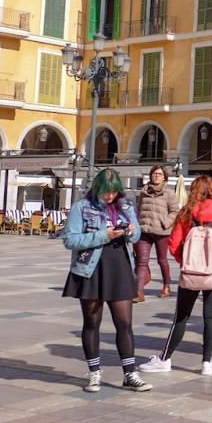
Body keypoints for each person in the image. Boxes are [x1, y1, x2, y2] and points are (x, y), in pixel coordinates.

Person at [62, 168, 152, 393]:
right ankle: (94, 374)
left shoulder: (127, 206)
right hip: (90, 270)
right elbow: (70, 240)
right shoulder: (81, 207)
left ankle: (130, 374)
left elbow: (137, 234)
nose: (110, 197)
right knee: (92, 323)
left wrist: (131, 231)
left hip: (119, 267)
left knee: (124, 323)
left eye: (114, 192)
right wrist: (104, 235)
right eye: (106, 192)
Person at [139, 176, 212, 376]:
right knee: (211, 316)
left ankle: (165, 359)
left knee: (181, 317)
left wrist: (187, 262)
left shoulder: (186, 213)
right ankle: (207, 363)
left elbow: (173, 244)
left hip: (190, 272)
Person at [133, 165, 180, 302]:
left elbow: (175, 211)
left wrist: (165, 223)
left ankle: (166, 284)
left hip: (162, 231)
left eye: (159, 174)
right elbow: (138, 208)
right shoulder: (144, 191)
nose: (157, 176)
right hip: (145, 230)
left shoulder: (169, 193)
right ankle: (139, 292)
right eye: (154, 173)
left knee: (162, 260)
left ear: (164, 177)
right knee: (142, 261)